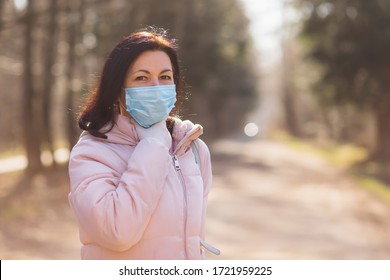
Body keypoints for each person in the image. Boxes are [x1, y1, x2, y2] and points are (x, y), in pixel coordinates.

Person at [68, 28, 219, 260]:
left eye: (165, 77)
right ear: (118, 90)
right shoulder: (91, 153)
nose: (156, 87)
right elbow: (116, 232)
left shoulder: (193, 148)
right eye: (142, 77)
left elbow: (193, 238)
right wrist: (153, 147)